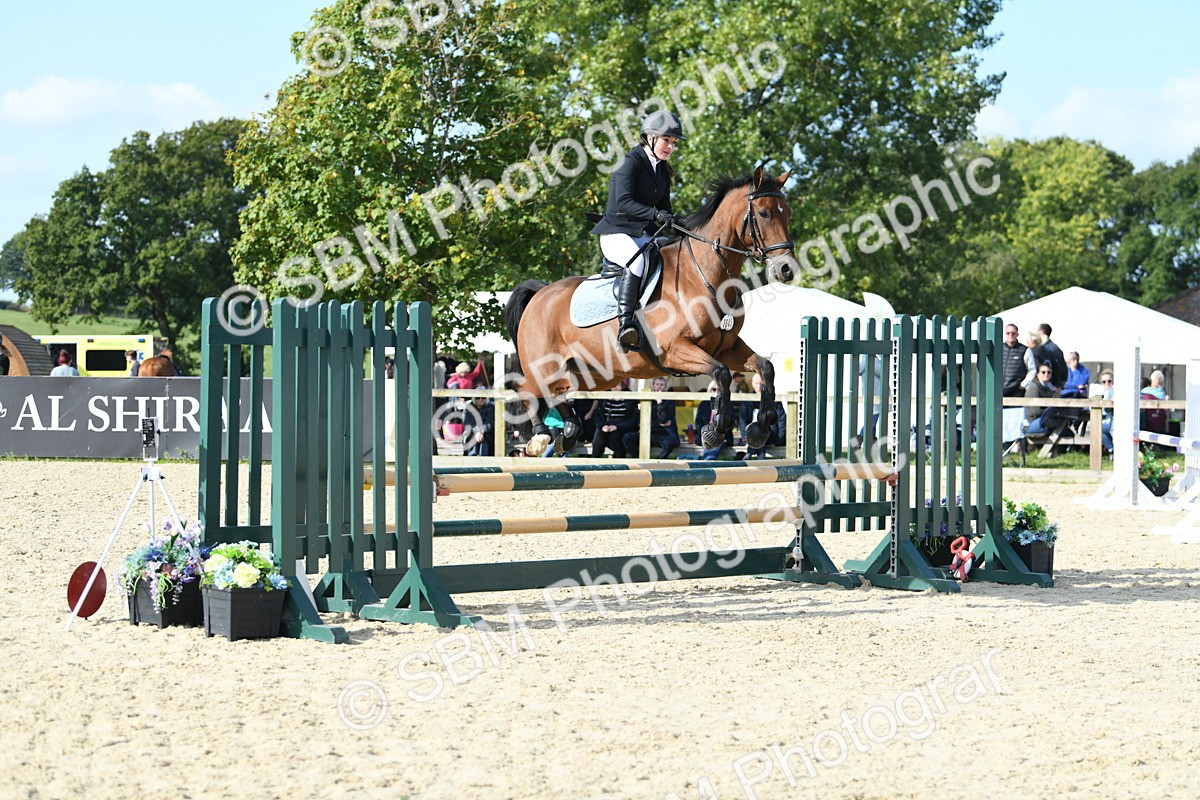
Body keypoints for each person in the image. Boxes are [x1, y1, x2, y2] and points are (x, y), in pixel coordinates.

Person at [590, 110, 686, 350]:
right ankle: (626, 325)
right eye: (667, 140)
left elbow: (665, 209)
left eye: (673, 142)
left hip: (642, 235)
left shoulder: (662, 170)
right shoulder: (629, 162)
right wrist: (655, 214)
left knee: (673, 257)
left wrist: (684, 225)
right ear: (650, 137)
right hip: (616, 233)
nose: (671, 147)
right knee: (638, 264)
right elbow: (622, 202)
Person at [622, 377, 679, 459]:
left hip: (663, 433)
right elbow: (640, 420)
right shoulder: (647, 399)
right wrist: (656, 423)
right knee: (627, 437)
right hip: (648, 432)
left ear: (665, 387)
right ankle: (638, 460)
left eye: (662, 385)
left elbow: (663, 420)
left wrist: (659, 403)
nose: (659, 387)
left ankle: (657, 463)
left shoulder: (670, 401)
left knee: (670, 443)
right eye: (657, 384)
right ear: (653, 386)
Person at [737, 373, 786, 459]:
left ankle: (750, 453)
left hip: (770, 434)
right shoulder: (747, 399)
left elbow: (782, 421)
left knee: (760, 434)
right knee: (757, 435)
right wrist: (744, 437)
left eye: (761, 383)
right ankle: (760, 460)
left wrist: (779, 441)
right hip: (750, 435)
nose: (759, 386)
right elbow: (742, 421)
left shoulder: (773, 400)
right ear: (752, 384)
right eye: (756, 383)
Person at [591, 379, 639, 457]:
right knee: (599, 439)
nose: (615, 388)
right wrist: (602, 426)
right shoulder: (604, 398)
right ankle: (593, 464)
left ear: (622, 386)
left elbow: (633, 419)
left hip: (622, 426)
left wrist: (617, 426)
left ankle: (621, 462)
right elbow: (597, 415)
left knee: (615, 438)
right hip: (606, 425)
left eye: (618, 385)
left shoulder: (630, 399)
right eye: (612, 386)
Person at [694, 380, 734, 459]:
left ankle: (706, 465)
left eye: (719, 390)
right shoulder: (703, 404)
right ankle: (707, 465)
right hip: (705, 434)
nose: (716, 392)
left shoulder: (728, 405)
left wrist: (719, 432)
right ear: (709, 390)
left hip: (722, 436)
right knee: (709, 444)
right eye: (714, 389)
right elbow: (698, 422)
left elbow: (731, 424)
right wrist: (705, 433)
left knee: (714, 447)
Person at [1022, 363, 1057, 436]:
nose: (1046, 374)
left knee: (1062, 427)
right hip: (1030, 423)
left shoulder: (1049, 388)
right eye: (1043, 372)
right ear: (1037, 374)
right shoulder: (1033, 387)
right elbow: (1035, 411)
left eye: (1049, 372)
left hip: (1042, 419)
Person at [461, 393, 495, 457]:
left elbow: (490, 422)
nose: (480, 399)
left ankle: (485, 459)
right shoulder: (468, 408)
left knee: (486, 438)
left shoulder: (491, 407)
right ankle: (471, 458)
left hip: (486, 432)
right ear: (474, 398)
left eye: (483, 398)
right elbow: (468, 423)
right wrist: (477, 431)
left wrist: (481, 431)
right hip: (472, 432)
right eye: (477, 398)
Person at [1037, 323, 1068, 389]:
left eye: (1037, 331)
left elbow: (1059, 368)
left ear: (1041, 331)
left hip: (1050, 385)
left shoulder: (1047, 348)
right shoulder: (1055, 348)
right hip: (1055, 384)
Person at [1001, 324, 1027, 397]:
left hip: (1016, 390)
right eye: (1008, 333)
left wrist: (1023, 384)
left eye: (1013, 333)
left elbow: (1032, 369)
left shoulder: (1025, 350)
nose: (1010, 335)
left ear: (1017, 334)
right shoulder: (999, 348)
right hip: (999, 389)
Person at [1098, 370, 1114, 452]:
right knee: (1098, 430)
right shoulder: (1098, 393)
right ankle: (1112, 450)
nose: (1107, 383)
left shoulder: (1115, 391)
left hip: (1113, 418)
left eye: (1109, 381)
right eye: (1104, 381)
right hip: (1103, 418)